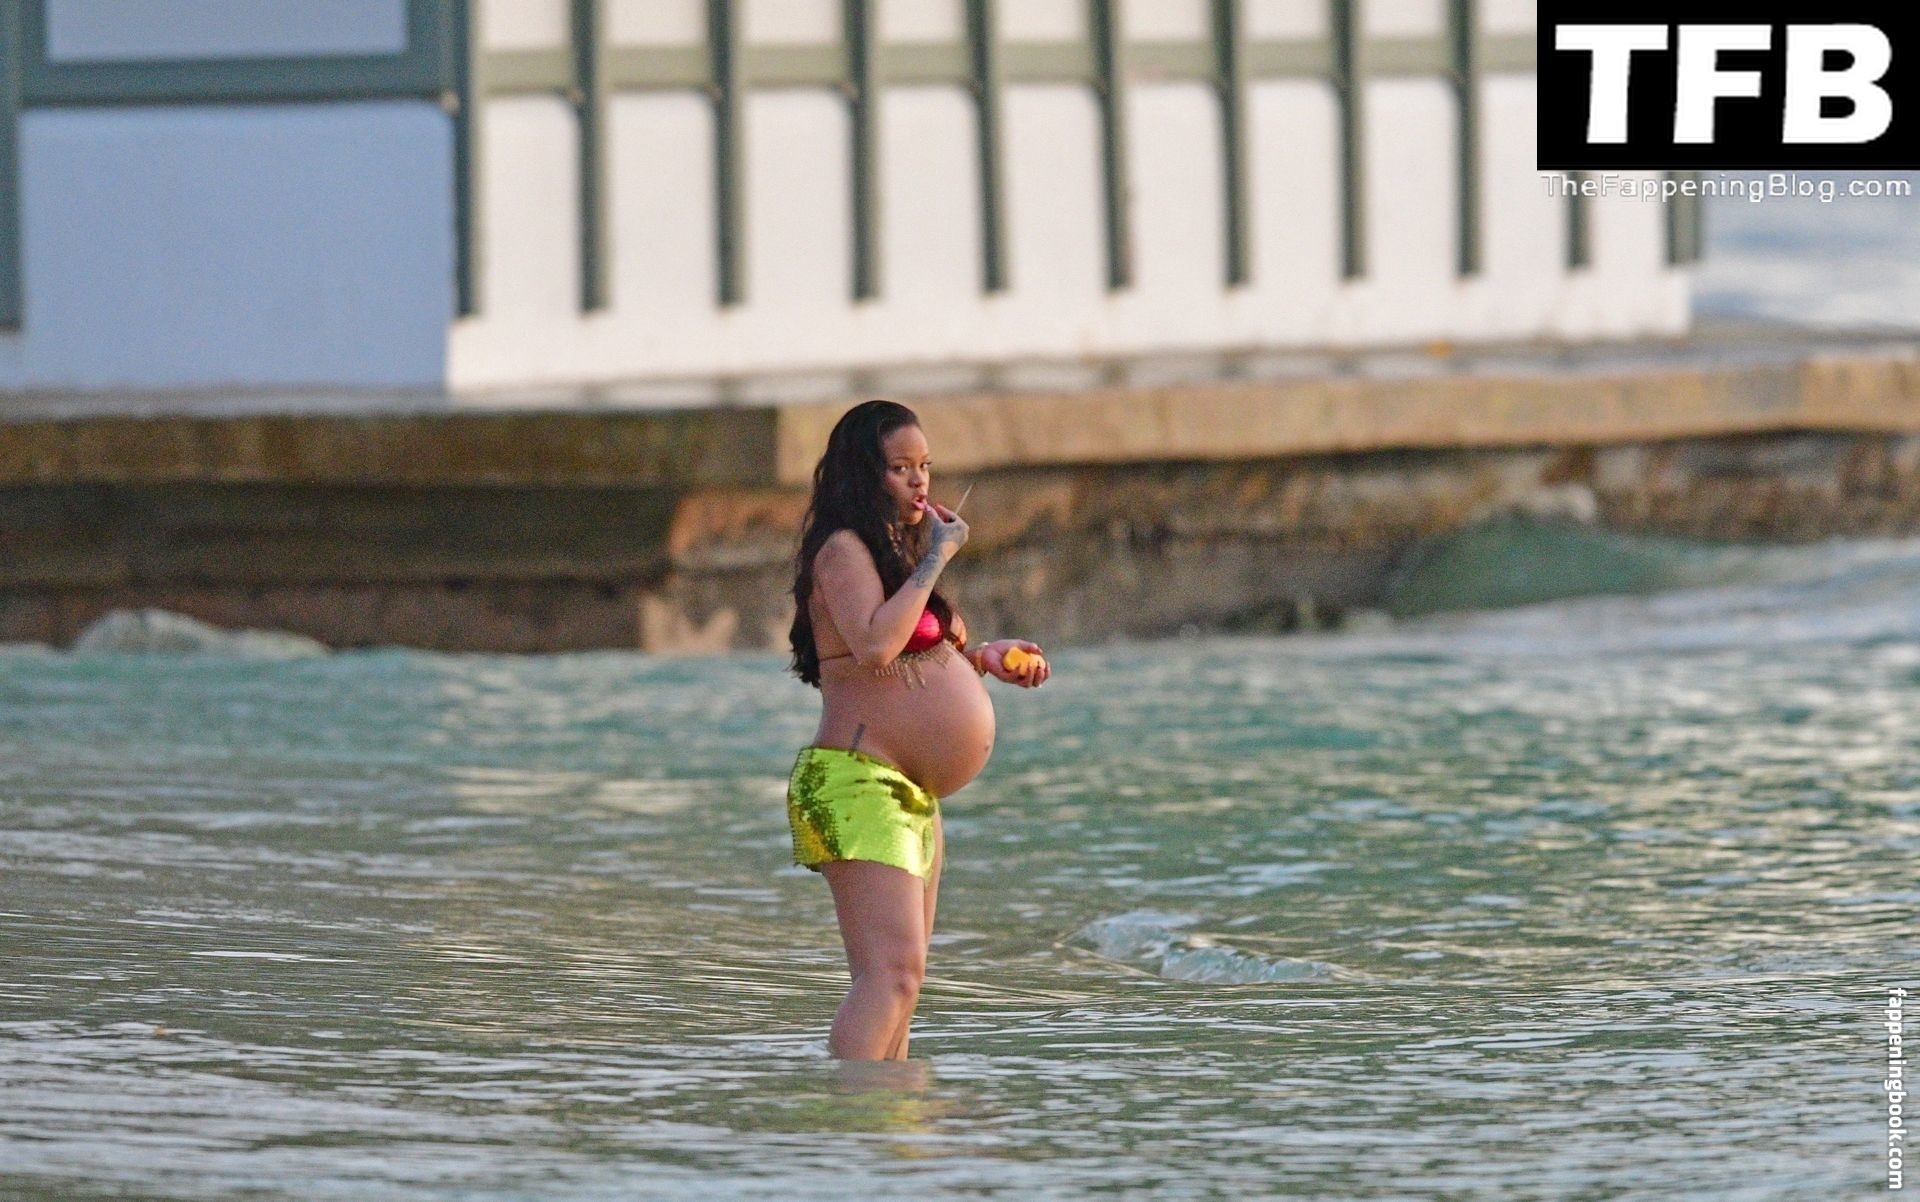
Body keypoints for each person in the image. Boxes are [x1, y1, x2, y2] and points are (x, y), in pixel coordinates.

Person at [786, 400, 1050, 1060]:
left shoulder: (894, 554)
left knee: (906, 985)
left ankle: (892, 1114)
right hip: (858, 782)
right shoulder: (842, 550)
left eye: (925, 466)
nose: (919, 481)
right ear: (862, 474)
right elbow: (875, 645)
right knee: (890, 977)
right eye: (900, 467)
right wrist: (937, 558)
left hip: (911, 790)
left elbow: (918, 660)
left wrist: (983, 659)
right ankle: (849, 1110)